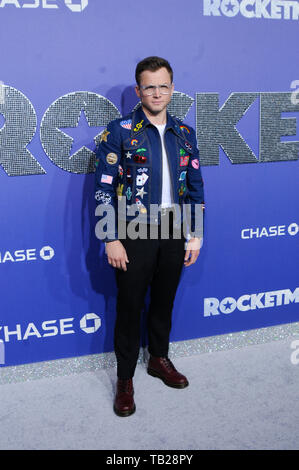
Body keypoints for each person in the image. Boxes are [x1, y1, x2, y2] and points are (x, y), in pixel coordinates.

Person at [95, 56, 204, 417]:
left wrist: (195, 236)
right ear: (139, 89)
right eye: (149, 86)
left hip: (174, 228)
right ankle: (124, 379)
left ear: (173, 89)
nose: (157, 92)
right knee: (128, 309)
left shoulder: (184, 133)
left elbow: (196, 187)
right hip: (133, 231)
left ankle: (158, 358)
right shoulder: (120, 130)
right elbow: (103, 189)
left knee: (163, 302)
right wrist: (110, 237)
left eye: (163, 85)